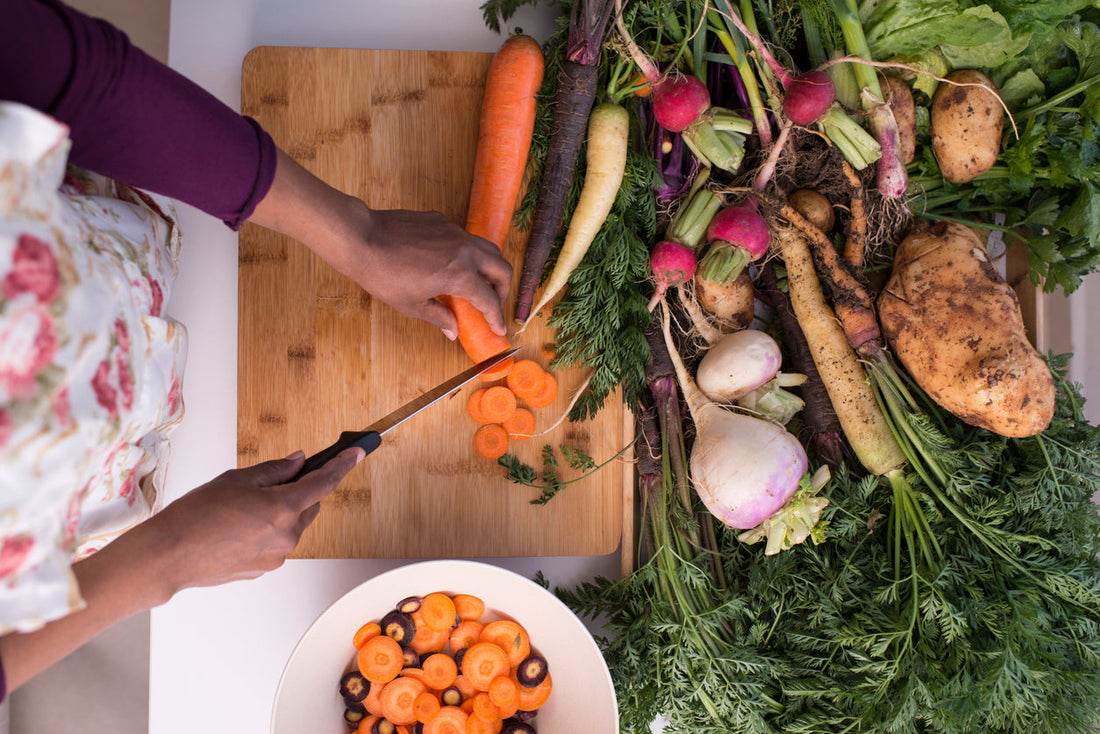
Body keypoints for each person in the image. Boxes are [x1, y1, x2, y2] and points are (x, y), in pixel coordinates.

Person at [0, 0, 513, 700]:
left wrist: (353, 232)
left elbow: (69, 75)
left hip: (112, 253)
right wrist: (159, 561)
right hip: (85, 531)